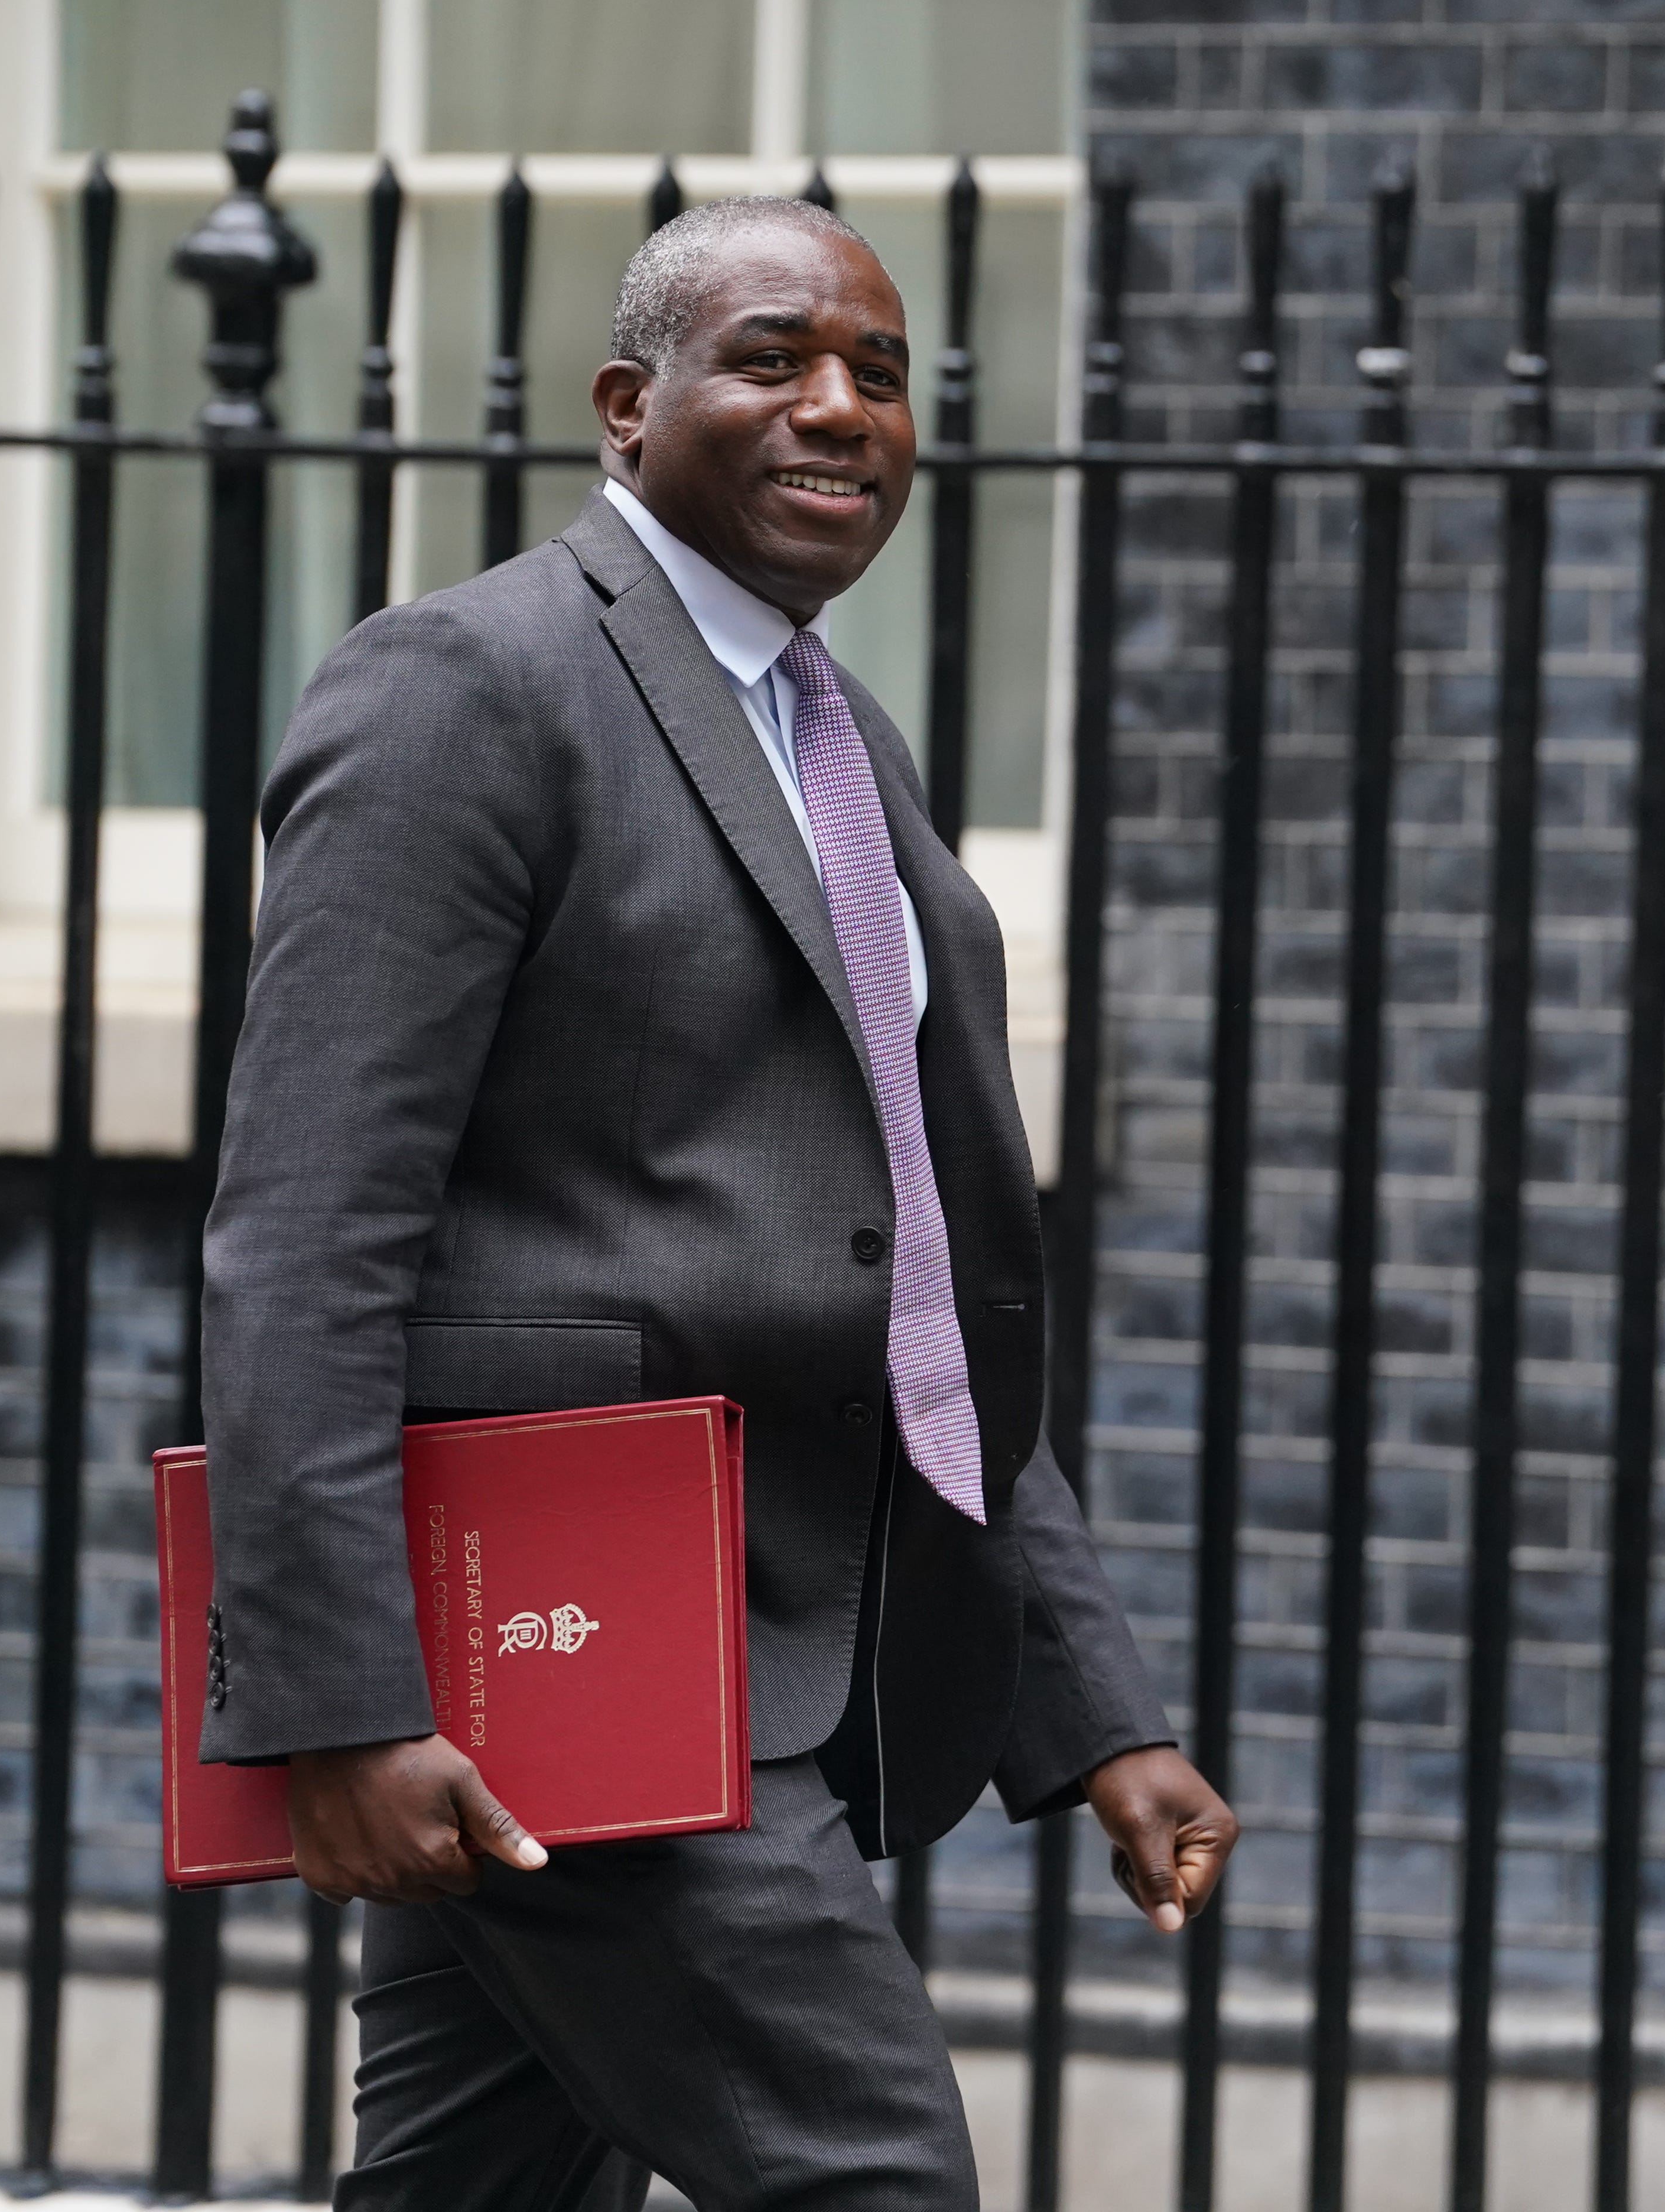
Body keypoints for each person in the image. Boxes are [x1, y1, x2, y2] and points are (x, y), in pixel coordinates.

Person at [197, 193, 1236, 2211]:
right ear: (625, 406)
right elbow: (306, 1228)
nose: (840, 408)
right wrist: (337, 1700)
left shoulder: (845, 751)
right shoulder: (463, 690)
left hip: (751, 1640)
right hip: (565, 1647)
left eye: (882, 372)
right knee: (872, 2174)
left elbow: (916, 1283)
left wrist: (1089, 1702)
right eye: (771, 359)